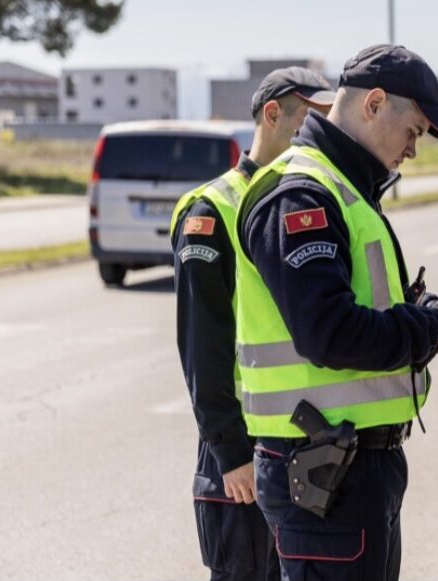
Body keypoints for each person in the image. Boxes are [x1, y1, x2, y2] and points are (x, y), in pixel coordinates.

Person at [233, 44, 438, 581]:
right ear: (373, 103)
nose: (415, 150)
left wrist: (423, 314)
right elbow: (329, 334)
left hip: (348, 470)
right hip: (324, 472)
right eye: (414, 131)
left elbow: (357, 313)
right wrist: (434, 325)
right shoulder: (302, 197)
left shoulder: (344, 190)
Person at [170, 67, 335, 581]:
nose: (322, 134)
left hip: (302, 443)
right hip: (242, 449)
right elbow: (203, 344)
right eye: (312, 118)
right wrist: (229, 453)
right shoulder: (214, 209)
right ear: (272, 114)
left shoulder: (309, 200)